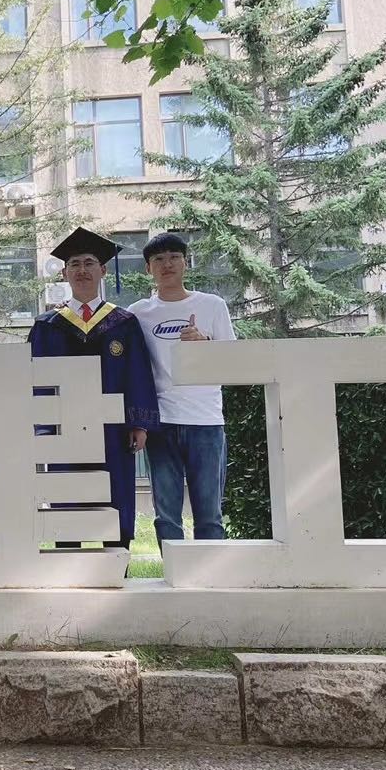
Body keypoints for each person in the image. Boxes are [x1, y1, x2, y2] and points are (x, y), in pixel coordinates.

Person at [27, 227, 160, 549]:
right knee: (66, 496)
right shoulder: (47, 325)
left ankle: (116, 563)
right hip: (63, 428)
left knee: (115, 496)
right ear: (64, 273)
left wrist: (139, 423)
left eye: (89, 263)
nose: (82, 270)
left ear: (103, 270)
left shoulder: (123, 323)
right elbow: (34, 380)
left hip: (112, 430)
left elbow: (137, 373)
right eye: (74, 264)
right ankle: (68, 564)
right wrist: (42, 427)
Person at [128, 232, 237, 548]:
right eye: (158, 259)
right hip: (161, 422)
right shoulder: (138, 312)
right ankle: (175, 573)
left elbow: (234, 361)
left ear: (186, 262)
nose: (167, 264)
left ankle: (209, 574)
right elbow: (133, 367)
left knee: (209, 515)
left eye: (174, 257)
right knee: (166, 516)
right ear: (148, 268)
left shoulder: (212, 305)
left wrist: (204, 343)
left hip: (206, 420)